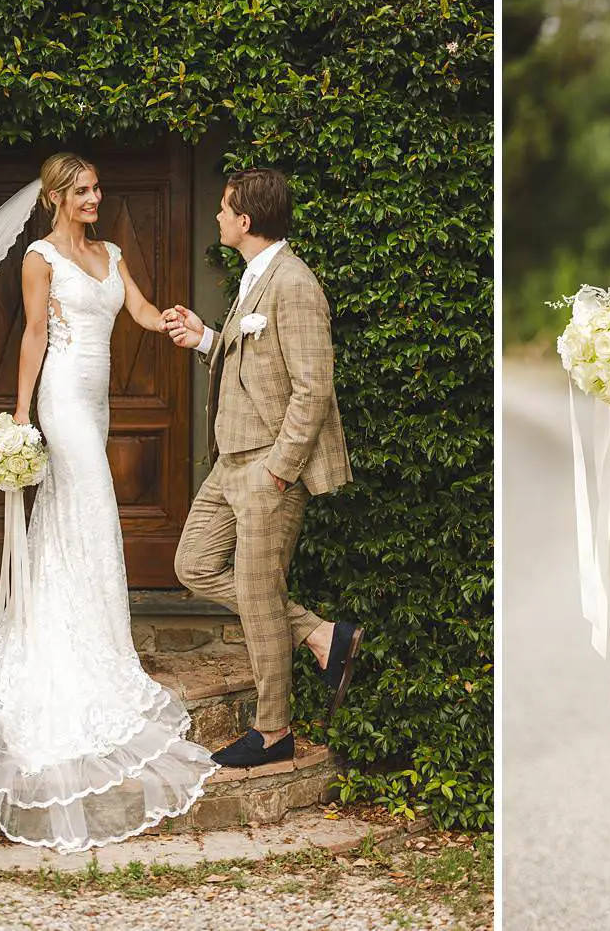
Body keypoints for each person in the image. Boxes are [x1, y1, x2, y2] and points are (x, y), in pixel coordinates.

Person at [0, 152, 217, 853]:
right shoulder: (39, 258)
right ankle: (98, 649)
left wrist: (173, 322)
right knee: (95, 504)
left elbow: (139, 309)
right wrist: (20, 412)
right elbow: (34, 333)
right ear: (58, 197)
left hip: (96, 401)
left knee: (71, 520)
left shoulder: (111, 252)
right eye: (84, 191)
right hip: (61, 398)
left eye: (98, 188)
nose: (96, 198)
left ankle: (86, 631)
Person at [163, 168, 360, 770]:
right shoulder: (257, 275)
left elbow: (313, 387)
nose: (218, 218)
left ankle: (273, 733)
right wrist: (205, 339)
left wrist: (280, 470)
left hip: (267, 467)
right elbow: (258, 362)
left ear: (245, 220)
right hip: (230, 463)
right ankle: (320, 633)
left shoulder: (294, 283)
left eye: (224, 210)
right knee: (193, 563)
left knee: (257, 592)